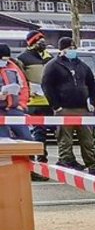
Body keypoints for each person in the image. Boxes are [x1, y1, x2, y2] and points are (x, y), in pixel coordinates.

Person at [41, 37, 95, 177]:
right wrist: (56, 105)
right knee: (65, 140)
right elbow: (47, 86)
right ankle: (66, 162)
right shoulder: (53, 65)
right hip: (64, 109)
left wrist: (93, 102)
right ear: (62, 50)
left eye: (74, 48)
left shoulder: (82, 65)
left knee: (88, 140)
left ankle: (94, 166)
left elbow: (92, 84)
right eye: (69, 48)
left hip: (83, 109)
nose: (72, 50)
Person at [17, 31, 52, 168]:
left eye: (43, 39)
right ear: (31, 43)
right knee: (37, 131)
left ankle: (42, 158)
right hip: (33, 101)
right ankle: (36, 159)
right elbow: (21, 78)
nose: (42, 42)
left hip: (48, 100)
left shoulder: (49, 57)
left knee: (45, 132)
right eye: (38, 40)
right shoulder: (23, 58)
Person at [0, 45, 31, 141]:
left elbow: (23, 87)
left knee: (27, 138)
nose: (5, 61)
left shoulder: (13, 67)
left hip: (14, 108)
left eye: (7, 59)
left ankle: (28, 156)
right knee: (4, 139)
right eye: (2, 59)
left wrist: (22, 104)